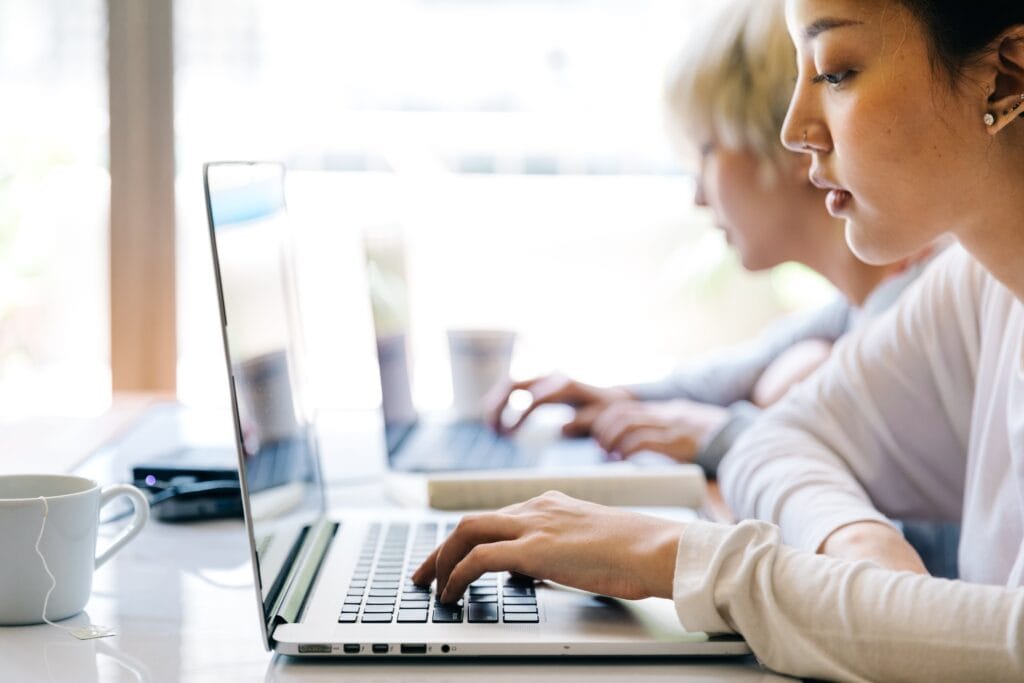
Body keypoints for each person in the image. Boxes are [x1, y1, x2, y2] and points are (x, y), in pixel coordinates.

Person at [413, 1, 1024, 680]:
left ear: (1005, 76)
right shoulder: (986, 286)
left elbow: (1009, 644)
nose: (793, 128)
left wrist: (676, 558)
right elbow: (779, 439)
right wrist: (857, 545)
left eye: (836, 71)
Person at [483, 0, 935, 479]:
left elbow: (868, 460)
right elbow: (744, 369)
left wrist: (719, 435)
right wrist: (627, 397)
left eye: (707, 151)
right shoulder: (863, 303)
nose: (699, 195)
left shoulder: (924, 311)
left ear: (800, 148)